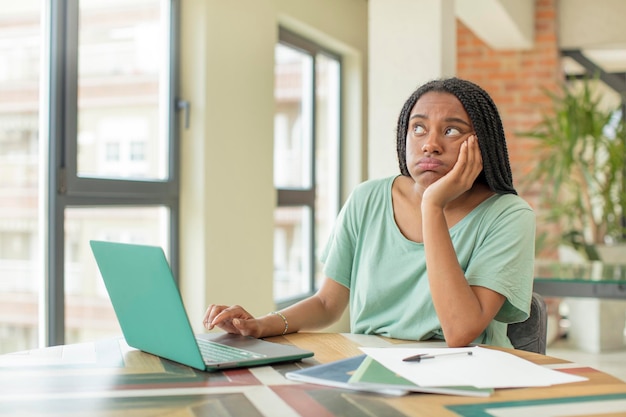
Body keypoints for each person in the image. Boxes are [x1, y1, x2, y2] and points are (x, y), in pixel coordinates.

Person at [203, 77, 535, 348]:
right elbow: (327, 304)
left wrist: (432, 205)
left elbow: (461, 333)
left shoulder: (508, 215)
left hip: (467, 374)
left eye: (451, 130)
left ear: (480, 144)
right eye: (418, 128)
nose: (430, 144)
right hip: (371, 367)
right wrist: (262, 325)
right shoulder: (367, 198)